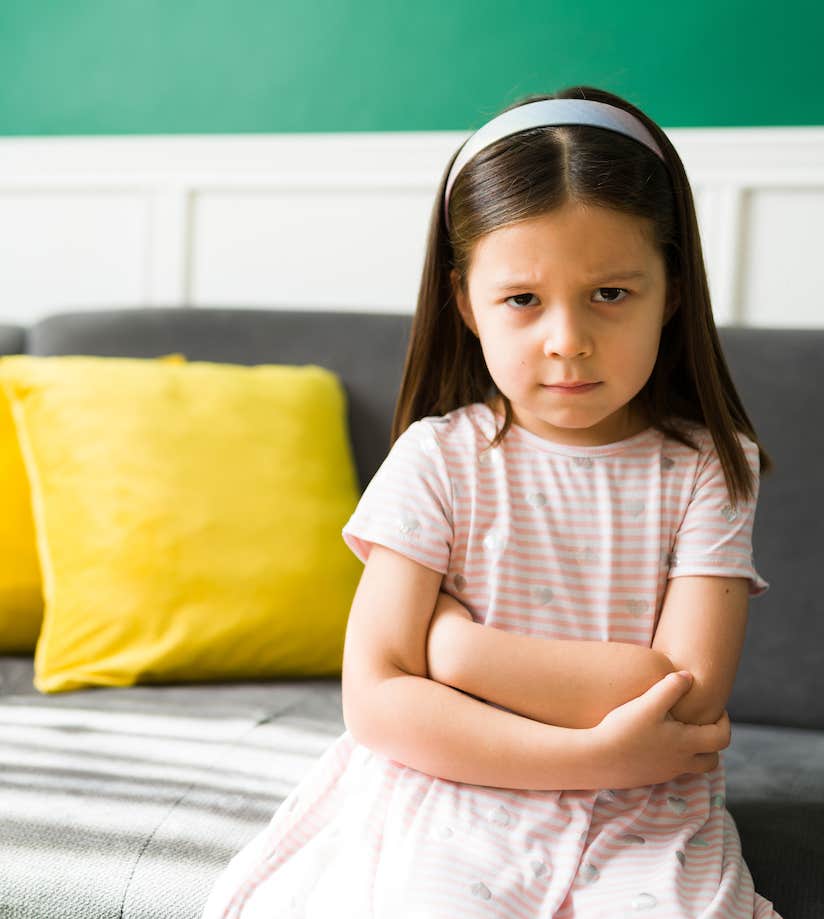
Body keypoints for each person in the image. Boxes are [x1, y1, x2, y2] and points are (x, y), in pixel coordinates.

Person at [202, 85, 782, 918]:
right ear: (465, 304)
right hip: (452, 794)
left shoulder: (709, 468)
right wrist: (600, 748)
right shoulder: (438, 459)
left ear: (674, 292)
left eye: (611, 294)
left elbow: (680, 696)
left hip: (644, 817)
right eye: (523, 299)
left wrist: (456, 652)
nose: (567, 338)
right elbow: (376, 699)